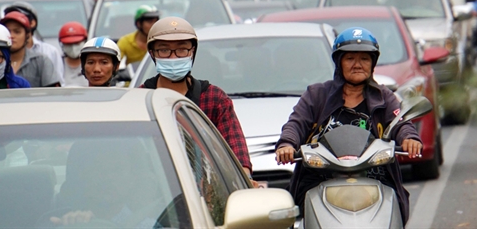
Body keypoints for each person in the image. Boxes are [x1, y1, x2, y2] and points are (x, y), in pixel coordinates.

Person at [274, 27, 422, 224]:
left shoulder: (384, 97)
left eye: (364, 59)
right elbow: (296, 123)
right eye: (350, 58)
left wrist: (410, 139)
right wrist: (287, 144)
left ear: (373, 64)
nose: (357, 65)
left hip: (374, 178)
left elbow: (400, 123)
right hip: (320, 178)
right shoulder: (317, 95)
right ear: (339, 62)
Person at [141, 16, 252, 177]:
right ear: (152, 53)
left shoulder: (214, 98)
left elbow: (237, 153)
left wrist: (245, 179)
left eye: (181, 50)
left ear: (192, 52)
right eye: (164, 50)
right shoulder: (141, 99)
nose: (173, 57)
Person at [3, 1, 65, 85]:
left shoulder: (42, 60)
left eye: (17, 31)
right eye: (7, 31)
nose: (11, 36)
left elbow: (55, 93)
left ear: (27, 34)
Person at [58, 22, 88, 87]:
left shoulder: (91, 64)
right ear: (62, 44)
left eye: (77, 43)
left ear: (85, 41)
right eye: (69, 44)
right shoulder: (57, 64)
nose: (73, 48)